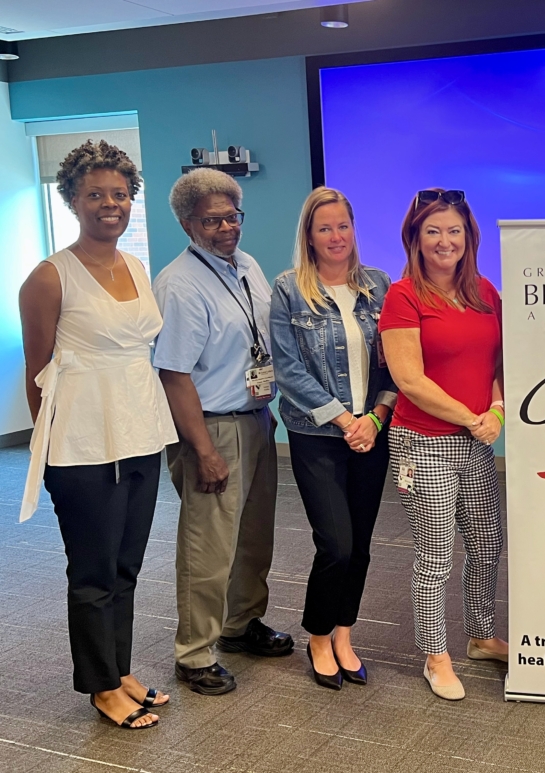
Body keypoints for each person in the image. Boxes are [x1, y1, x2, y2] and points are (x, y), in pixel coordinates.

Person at [19, 140, 178, 729]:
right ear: (72, 201)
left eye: (119, 194)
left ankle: (121, 668)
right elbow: (38, 376)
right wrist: (56, 445)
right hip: (82, 446)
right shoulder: (49, 277)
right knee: (91, 571)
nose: (109, 204)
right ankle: (99, 685)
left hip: (141, 433)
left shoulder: (135, 266)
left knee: (127, 566)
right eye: (95, 195)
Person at [154, 168, 293, 696]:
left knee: (254, 538)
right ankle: (193, 653)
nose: (226, 227)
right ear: (189, 225)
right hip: (209, 430)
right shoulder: (180, 284)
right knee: (207, 548)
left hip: (253, 419)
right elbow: (174, 374)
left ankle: (240, 625)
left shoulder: (247, 265)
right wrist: (203, 450)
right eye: (211, 221)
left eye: (232, 215)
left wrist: (263, 407)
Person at [380, 188, 507, 701]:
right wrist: (472, 418)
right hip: (423, 443)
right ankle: (435, 654)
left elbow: (497, 366)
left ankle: (479, 637)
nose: (444, 240)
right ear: (415, 237)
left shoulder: (485, 292)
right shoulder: (403, 295)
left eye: (454, 230)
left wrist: (495, 412)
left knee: (485, 545)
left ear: (468, 237)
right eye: (432, 230)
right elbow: (409, 379)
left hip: (476, 440)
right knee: (436, 554)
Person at [269, 188, 396, 689]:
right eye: (325, 228)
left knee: (361, 545)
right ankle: (318, 634)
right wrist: (346, 421)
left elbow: (397, 363)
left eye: (343, 225)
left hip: (373, 431)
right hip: (316, 435)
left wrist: (375, 419)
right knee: (336, 544)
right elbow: (288, 369)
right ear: (309, 235)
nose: (336, 236)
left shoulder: (379, 285)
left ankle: (344, 633)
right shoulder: (288, 290)